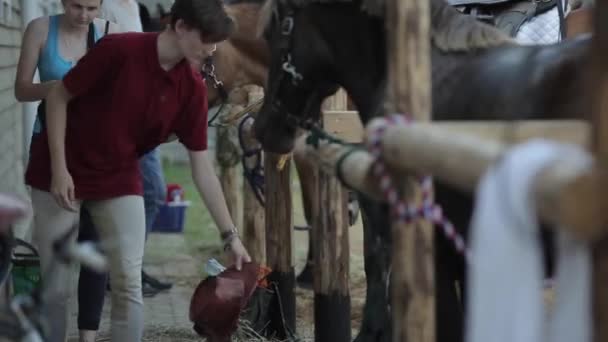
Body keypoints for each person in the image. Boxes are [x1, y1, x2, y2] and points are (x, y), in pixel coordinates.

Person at [24, 0, 251, 340]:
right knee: (56, 286)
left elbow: (202, 169)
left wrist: (230, 235)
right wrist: (59, 170)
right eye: (208, 37)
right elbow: (58, 97)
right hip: (60, 169)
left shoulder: (192, 89)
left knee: (128, 283)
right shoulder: (119, 49)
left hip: (118, 176)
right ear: (180, 27)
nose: (213, 48)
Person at [14, 2, 118, 340]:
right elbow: (21, 89)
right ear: (62, 1)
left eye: (92, 7)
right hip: (49, 149)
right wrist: (63, 88)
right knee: (53, 253)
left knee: (96, 246)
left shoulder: (108, 34)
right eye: (76, 6)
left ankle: (87, 336)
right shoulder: (40, 29)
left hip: (96, 152)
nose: (84, 15)